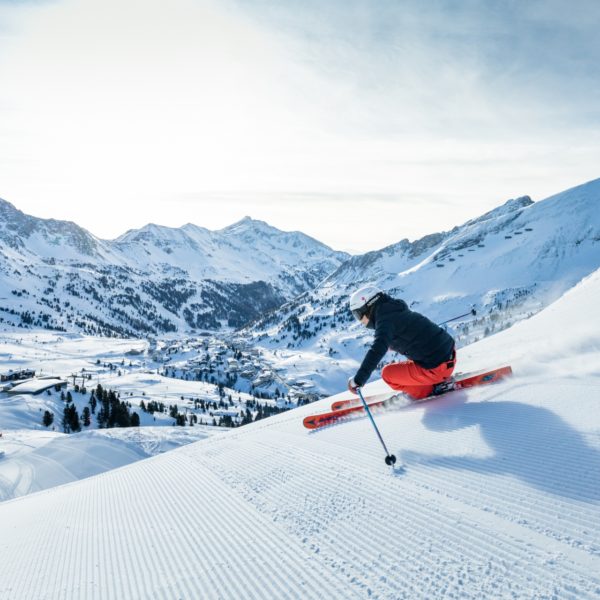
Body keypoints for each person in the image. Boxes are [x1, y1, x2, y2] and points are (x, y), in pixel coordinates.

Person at [347, 286, 456, 400]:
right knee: (408, 362)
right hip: (449, 353)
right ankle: (436, 382)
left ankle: (429, 390)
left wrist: (358, 380)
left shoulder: (385, 321)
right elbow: (410, 334)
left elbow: (377, 350)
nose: (360, 320)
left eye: (358, 315)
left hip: (437, 368)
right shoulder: (394, 309)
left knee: (387, 374)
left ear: (368, 307)